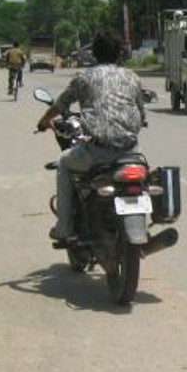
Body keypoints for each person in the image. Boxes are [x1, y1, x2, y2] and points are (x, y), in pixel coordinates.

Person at [37, 30, 147, 246]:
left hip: (98, 151)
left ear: (95, 54)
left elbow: (60, 105)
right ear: (119, 54)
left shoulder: (84, 77)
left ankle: (64, 228)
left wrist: (43, 121)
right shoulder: (132, 77)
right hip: (131, 152)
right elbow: (141, 114)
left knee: (64, 163)